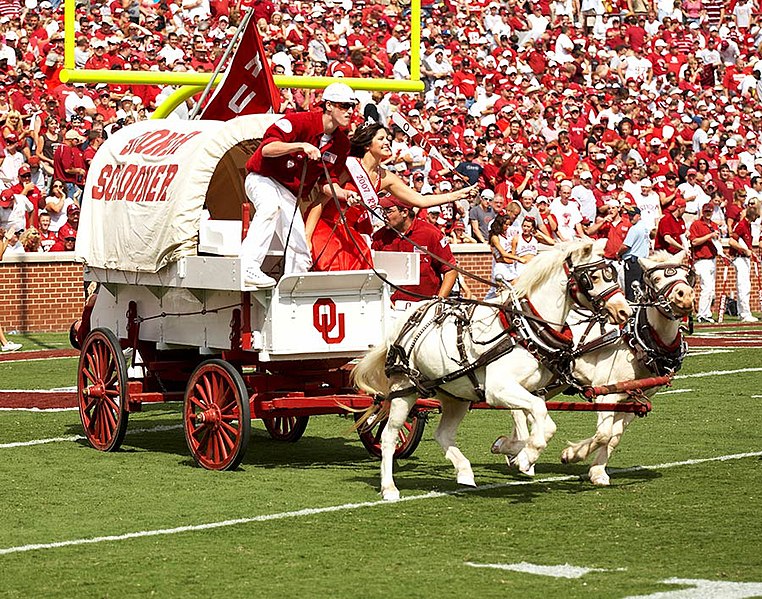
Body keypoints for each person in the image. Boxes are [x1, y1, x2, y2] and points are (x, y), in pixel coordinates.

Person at [309, 122, 476, 270]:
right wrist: (307, 238)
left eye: (387, 138)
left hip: (349, 233)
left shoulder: (385, 177)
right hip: (324, 228)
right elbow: (320, 202)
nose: (387, 142)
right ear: (367, 145)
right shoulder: (349, 166)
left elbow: (421, 200)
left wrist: (458, 194)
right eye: (381, 139)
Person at [240, 82, 359, 289]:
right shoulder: (298, 121)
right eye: (344, 106)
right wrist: (300, 145)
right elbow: (267, 149)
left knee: (300, 248)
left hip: (289, 192)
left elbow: (326, 182)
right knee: (270, 207)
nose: (349, 111)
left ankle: (294, 288)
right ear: (328, 105)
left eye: (352, 107)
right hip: (262, 177)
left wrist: (343, 194)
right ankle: (247, 267)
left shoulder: (342, 144)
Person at [371, 194, 458, 310]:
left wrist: (437, 303)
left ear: (405, 212)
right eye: (383, 211)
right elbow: (372, 274)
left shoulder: (431, 233)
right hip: (389, 309)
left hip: (424, 309)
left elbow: (450, 270)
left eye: (389, 211)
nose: (384, 216)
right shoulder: (379, 237)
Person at [689, 202, 723, 323]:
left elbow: (717, 241)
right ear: (703, 212)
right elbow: (694, 242)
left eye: (710, 211)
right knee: (706, 287)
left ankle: (707, 313)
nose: (708, 214)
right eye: (706, 212)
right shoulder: (696, 224)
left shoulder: (714, 225)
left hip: (712, 259)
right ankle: (701, 314)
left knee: (711, 289)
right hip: (701, 260)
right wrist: (709, 236)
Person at [728, 200, 759, 322]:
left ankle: (743, 312)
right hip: (740, 258)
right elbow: (731, 241)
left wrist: (749, 251)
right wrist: (743, 250)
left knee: (746, 285)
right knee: (743, 286)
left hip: (745, 258)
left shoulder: (748, 226)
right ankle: (745, 313)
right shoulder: (741, 225)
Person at [617, 206, 651, 301]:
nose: (631, 217)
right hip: (643, 262)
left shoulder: (634, 229)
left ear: (639, 216)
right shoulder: (644, 227)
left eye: (633, 215)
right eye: (629, 215)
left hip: (633, 262)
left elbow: (625, 246)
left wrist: (618, 254)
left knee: (631, 290)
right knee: (641, 289)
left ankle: (633, 312)